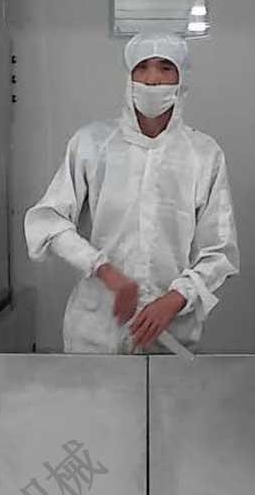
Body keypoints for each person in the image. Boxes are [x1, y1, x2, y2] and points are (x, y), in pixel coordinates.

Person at [23, 31, 239, 354]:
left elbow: (220, 251)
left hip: (169, 334)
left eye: (165, 68)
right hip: (96, 332)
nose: (152, 79)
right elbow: (47, 221)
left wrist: (177, 298)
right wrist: (103, 269)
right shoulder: (92, 144)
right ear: (129, 77)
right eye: (142, 68)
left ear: (181, 79)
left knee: (165, 390)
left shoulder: (204, 155)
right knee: (96, 391)